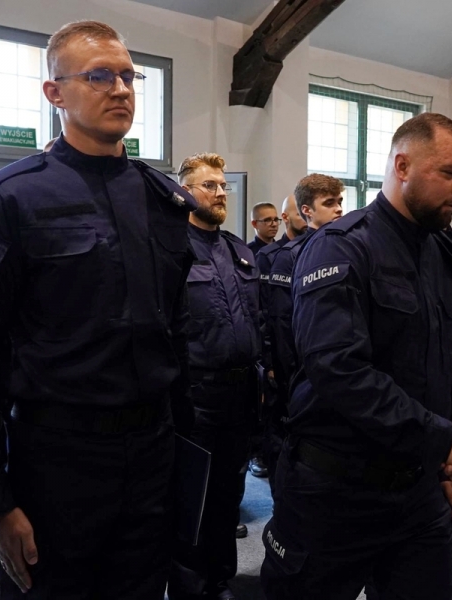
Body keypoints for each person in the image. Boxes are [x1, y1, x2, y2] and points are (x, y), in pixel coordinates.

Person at [0, 21, 197, 599]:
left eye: (129, 76)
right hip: (56, 459)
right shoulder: (12, 198)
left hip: (153, 454)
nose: (121, 89)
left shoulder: (162, 200)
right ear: (54, 93)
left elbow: (176, 335)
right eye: (99, 76)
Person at [259, 113, 452, 599]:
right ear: (403, 165)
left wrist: (441, 462)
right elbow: (339, 370)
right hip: (335, 489)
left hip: (417, 488)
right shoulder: (342, 248)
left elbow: (446, 363)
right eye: (449, 173)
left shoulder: (445, 252)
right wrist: (441, 440)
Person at [168, 153, 260, 600]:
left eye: (223, 186)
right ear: (185, 190)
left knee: (227, 497)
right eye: (209, 185)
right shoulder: (171, 248)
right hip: (194, 397)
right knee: (192, 504)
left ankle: (221, 582)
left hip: (241, 395)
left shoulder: (239, 251)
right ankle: (190, 589)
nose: (221, 193)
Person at [266, 174, 344, 419]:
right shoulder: (290, 255)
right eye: (329, 203)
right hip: (305, 374)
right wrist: (292, 381)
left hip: (342, 367)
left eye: (340, 201)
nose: (339, 209)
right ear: (307, 210)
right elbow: (282, 324)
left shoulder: (348, 248)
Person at [256, 194, 308, 491]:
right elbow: (267, 314)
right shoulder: (271, 256)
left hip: (304, 362)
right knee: (279, 436)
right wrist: (270, 363)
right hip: (280, 364)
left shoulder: (318, 250)